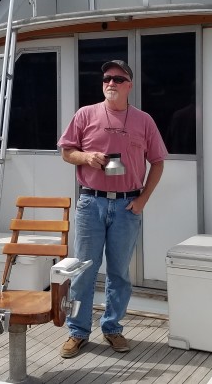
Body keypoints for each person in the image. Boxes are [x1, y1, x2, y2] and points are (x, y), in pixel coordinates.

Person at [56, 60, 167, 358]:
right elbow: (66, 151)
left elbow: (158, 162)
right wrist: (86, 157)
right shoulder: (85, 114)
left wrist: (143, 199)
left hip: (127, 206)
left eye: (119, 79)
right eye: (107, 78)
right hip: (91, 203)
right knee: (82, 273)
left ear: (129, 85)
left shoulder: (144, 120)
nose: (111, 83)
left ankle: (112, 328)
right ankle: (77, 331)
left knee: (119, 274)